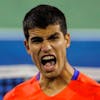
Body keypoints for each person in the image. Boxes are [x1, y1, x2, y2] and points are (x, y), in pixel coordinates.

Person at [4, 4, 100, 100]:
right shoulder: (15, 97)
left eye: (53, 38)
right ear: (27, 47)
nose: (46, 48)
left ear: (67, 40)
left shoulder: (96, 95)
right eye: (37, 40)